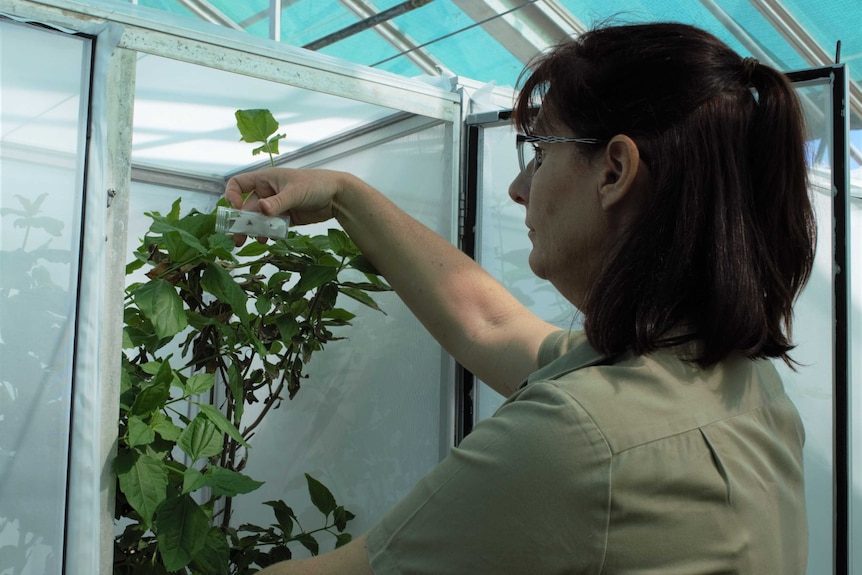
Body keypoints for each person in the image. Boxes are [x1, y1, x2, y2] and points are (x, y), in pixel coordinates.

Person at [225, 21, 815, 575]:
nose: (517, 188)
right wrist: (344, 195)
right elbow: (491, 324)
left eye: (540, 153)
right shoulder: (735, 378)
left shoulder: (572, 439)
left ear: (613, 171)